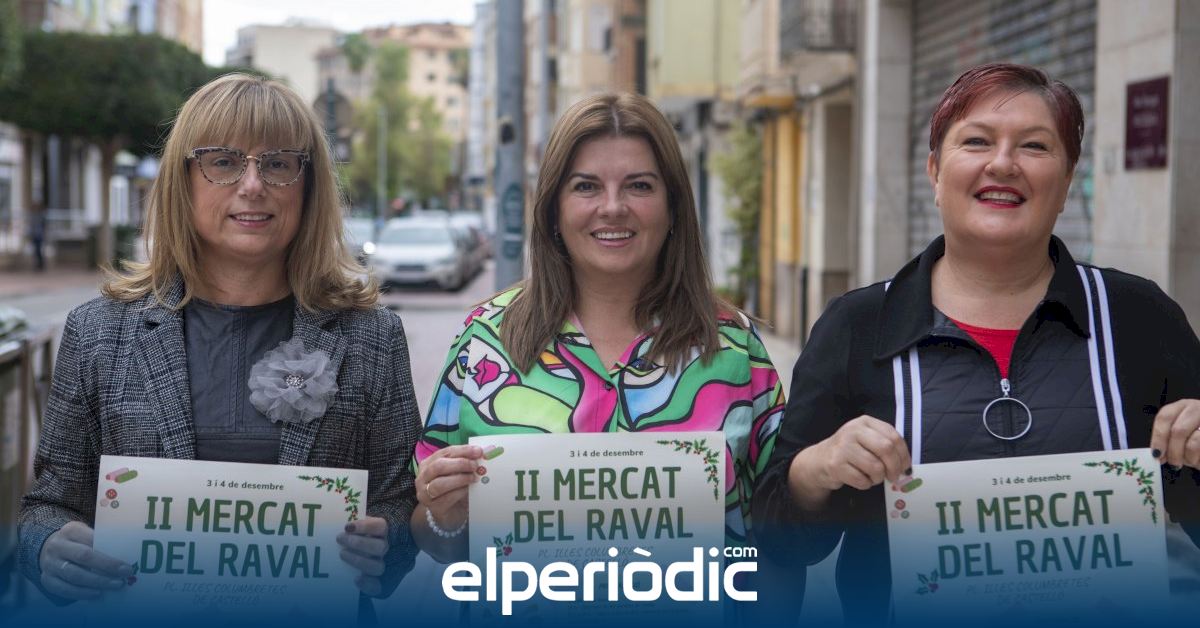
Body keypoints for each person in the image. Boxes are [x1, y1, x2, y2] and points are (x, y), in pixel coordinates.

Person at [753, 63, 1200, 623]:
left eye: (1034, 146)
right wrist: (816, 470)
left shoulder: (1137, 317)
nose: (1003, 164)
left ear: (1067, 181)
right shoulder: (858, 326)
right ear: (935, 171)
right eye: (977, 141)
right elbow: (780, 541)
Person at [18, 74, 421, 608]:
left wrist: (387, 545)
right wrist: (47, 549)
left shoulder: (372, 336)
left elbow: (400, 503)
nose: (252, 185)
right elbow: (48, 504)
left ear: (308, 186)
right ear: (183, 180)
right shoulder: (98, 333)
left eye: (278, 164)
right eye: (224, 161)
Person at [411, 93, 785, 569]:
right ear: (554, 208)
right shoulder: (484, 339)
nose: (612, 207)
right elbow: (430, 531)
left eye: (639, 186)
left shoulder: (734, 347)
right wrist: (446, 515)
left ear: (672, 206)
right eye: (586, 186)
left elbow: (781, 536)